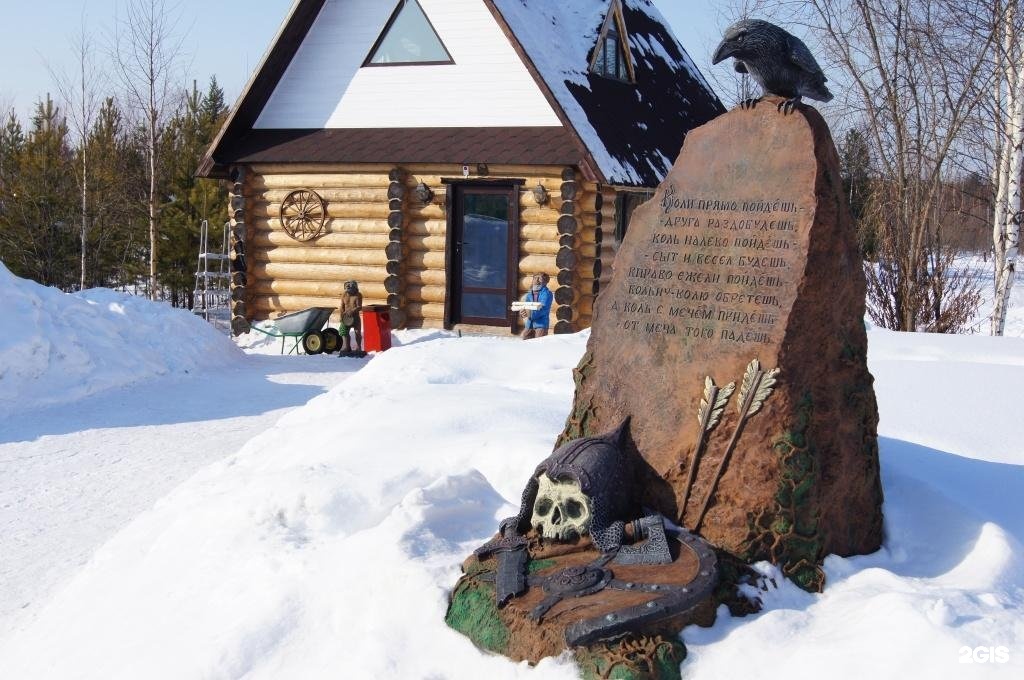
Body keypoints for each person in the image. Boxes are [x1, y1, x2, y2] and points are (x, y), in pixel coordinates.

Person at [521, 273, 553, 339]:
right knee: (524, 337)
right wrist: (523, 312)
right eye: (535, 278)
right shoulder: (530, 294)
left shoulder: (547, 293)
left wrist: (530, 313)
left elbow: (543, 308)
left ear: (545, 281)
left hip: (541, 324)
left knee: (539, 342)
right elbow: (527, 306)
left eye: (540, 279)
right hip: (530, 323)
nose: (537, 281)